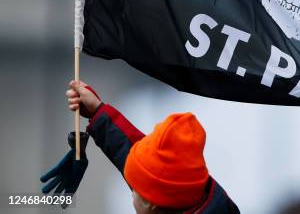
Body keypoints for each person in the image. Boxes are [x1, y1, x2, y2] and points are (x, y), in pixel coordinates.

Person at [66, 80, 240, 214]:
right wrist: (97, 112)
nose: (131, 192)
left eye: (134, 189)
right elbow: (142, 164)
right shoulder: (189, 195)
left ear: (151, 203)